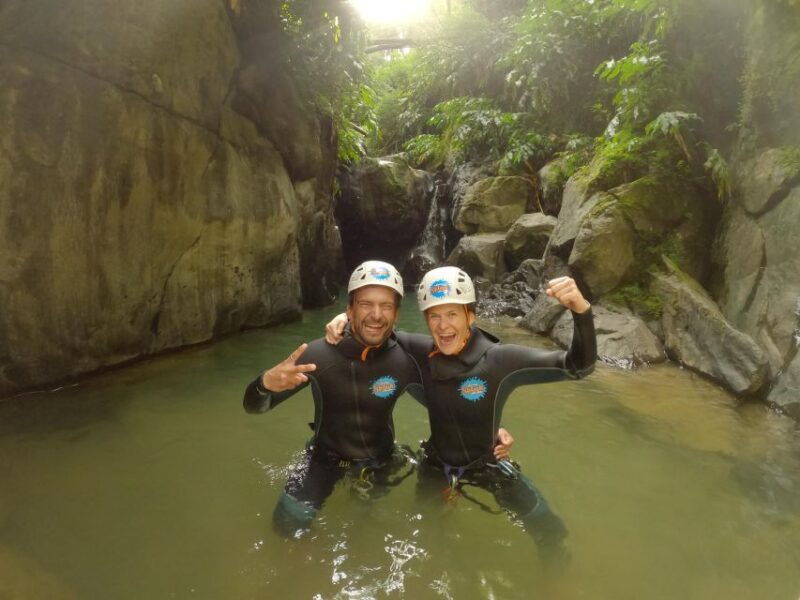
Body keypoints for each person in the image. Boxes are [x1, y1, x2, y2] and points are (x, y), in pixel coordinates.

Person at [326, 266, 596, 565]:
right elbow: (376, 331)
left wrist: (581, 311)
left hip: (488, 465)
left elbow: (578, 366)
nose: (443, 326)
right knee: (423, 536)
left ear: (471, 316)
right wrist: (344, 320)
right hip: (436, 464)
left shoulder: (501, 360)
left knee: (550, 531)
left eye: (452, 314)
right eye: (434, 315)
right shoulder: (419, 351)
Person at [243, 261, 513, 536]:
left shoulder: (411, 356)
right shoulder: (316, 355)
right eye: (365, 304)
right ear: (349, 309)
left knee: (379, 531)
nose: (376, 315)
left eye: (386, 306)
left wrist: (486, 425)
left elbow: (467, 373)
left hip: (385, 460)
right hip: (325, 460)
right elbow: (252, 407)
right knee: (285, 528)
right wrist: (264, 384)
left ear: (397, 314)